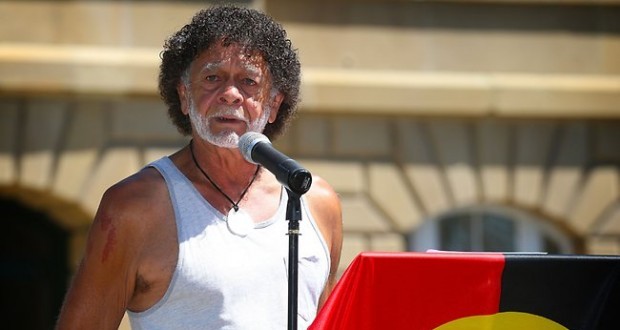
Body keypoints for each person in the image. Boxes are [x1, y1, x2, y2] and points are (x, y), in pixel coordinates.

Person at [56, 5, 343, 330]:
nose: (231, 94)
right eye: (212, 78)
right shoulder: (134, 206)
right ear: (183, 95)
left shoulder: (318, 203)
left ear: (274, 104)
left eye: (249, 81)